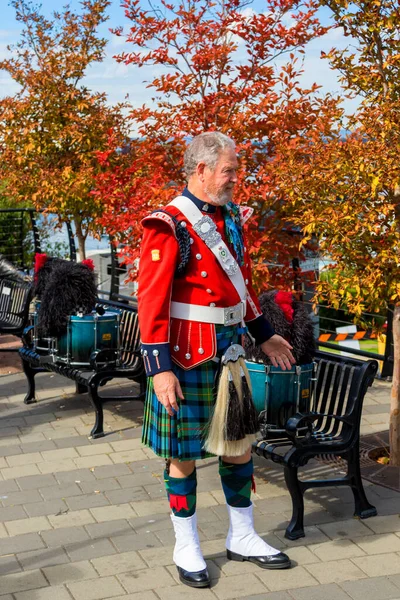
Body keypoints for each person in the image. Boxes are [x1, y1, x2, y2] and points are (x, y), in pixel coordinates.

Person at [138, 132, 295, 588]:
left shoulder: (231, 218)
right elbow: (151, 302)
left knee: (239, 444)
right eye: (228, 169)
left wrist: (264, 335)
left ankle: (242, 536)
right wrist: (159, 369)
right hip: (186, 355)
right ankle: (186, 544)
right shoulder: (168, 223)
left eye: (235, 169)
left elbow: (240, 285)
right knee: (182, 455)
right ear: (201, 169)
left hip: (229, 349)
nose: (234, 177)